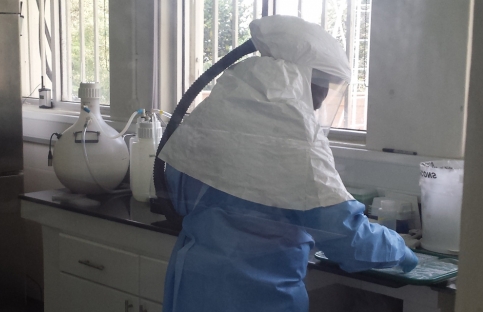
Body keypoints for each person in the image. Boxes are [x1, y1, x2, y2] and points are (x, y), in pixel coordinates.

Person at [157, 16, 418, 312]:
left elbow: (178, 195)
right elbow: (348, 239)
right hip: (256, 297)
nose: (321, 100)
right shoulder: (294, 140)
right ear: (295, 77)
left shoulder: (213, 117)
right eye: (322, 85)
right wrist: (401, 250)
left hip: (191, 285)